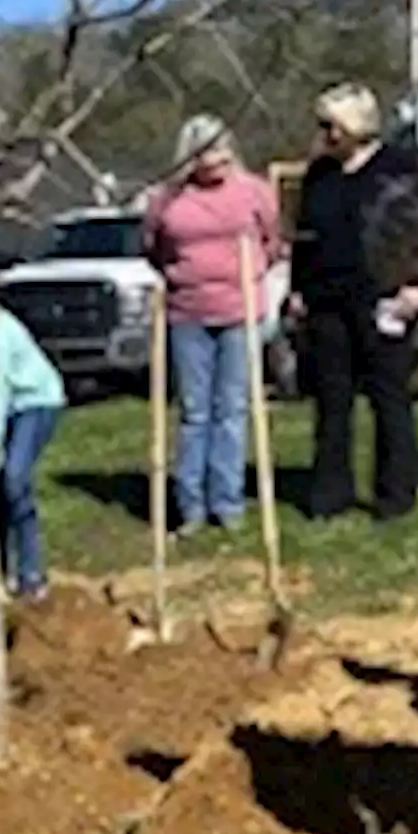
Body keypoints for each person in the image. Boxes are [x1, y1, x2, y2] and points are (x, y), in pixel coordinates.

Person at [290, 83, 418, 522]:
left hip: (386, 299)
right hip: (327, 302)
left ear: (354, 125)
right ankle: (330, 494)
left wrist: (417, 287)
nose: (325, 134)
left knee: (389, 398)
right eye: (322, 126)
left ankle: (395, 496)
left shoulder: (402, 170)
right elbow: (305, 239)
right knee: (332, 401)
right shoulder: (320, 176)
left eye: (331, 125)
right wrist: (298, 289)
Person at [143, 116, 279, 537]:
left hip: (239, 307)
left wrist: (252, 272)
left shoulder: (253, 191)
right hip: (188, 312)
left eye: (220, 150)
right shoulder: (167, 199)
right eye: (204, 152)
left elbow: (271, 241)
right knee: (195, 410)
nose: (215, 160)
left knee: (232, 407)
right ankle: (191, 504)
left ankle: (228, 500)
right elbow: (152, 247)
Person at [0, 293, 66, 600]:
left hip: (37, 401)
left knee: (15, 478)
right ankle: (0, 570)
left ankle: (31, 573)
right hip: (10, 409)